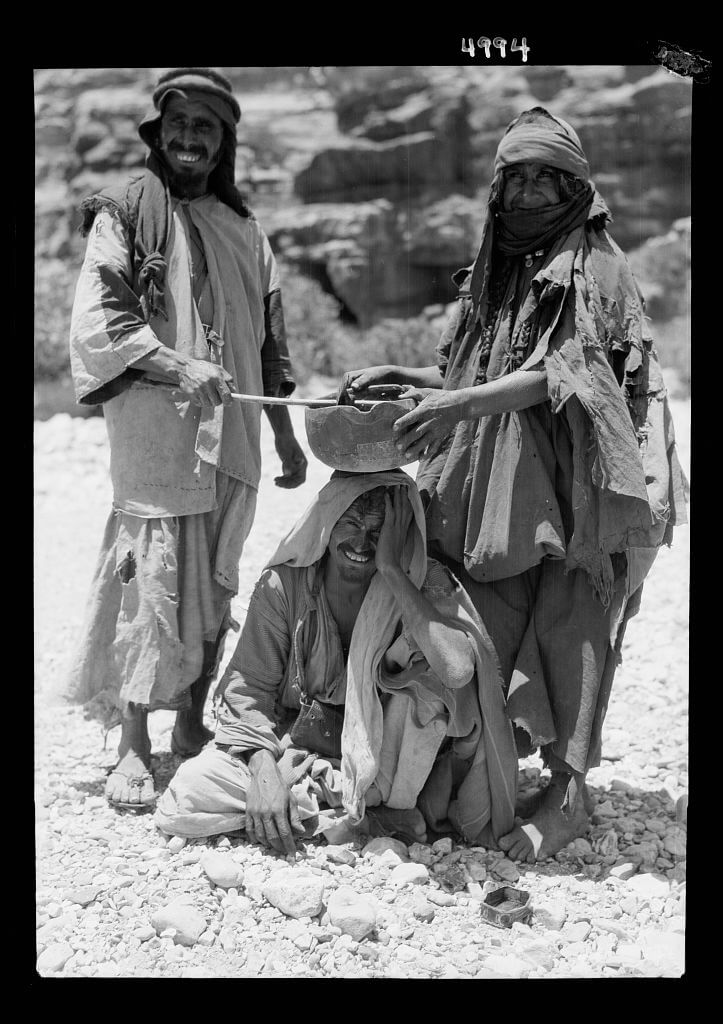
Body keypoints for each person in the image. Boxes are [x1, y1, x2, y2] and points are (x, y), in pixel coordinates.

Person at [343, 107, 689, 862]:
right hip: (505, 479)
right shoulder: (498, 268)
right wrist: (409, 378)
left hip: (588, 479)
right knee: (488, 611)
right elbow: (478, 369)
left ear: (574, 185)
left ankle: (569, 793)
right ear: (498, 186)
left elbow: (567, 373)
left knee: (575, 623)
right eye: (517, 175)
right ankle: (493, 761)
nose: (530, 190)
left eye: (547, 176)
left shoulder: (594, 266)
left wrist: (459, 405)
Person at [64, 68, 308, 811]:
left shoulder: (245, 230)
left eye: (206, 127)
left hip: (233, 435)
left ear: (223, 140)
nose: (190, 138)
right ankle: (133, 743)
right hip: (154, 433)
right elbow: (99, 322)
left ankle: (193, 722)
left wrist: (287, 440)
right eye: (179, 124)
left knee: (215, 578)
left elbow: (267, 346)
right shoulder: (125, 214)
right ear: (158, 132)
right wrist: (176, 364)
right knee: (152, 578)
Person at [154, 471, 518, 852]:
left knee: (431, 691)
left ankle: (344, 812)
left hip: (381, 767)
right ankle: (360, 819)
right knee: (187, 796)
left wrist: (392, 569)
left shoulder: (417, 581)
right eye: (352, 524)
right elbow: (250, 689)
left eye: (378, 533)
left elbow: (457, 671)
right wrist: (263, 772)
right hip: (295, 750)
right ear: (328, 522)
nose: (362, 543)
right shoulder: (285, 585)